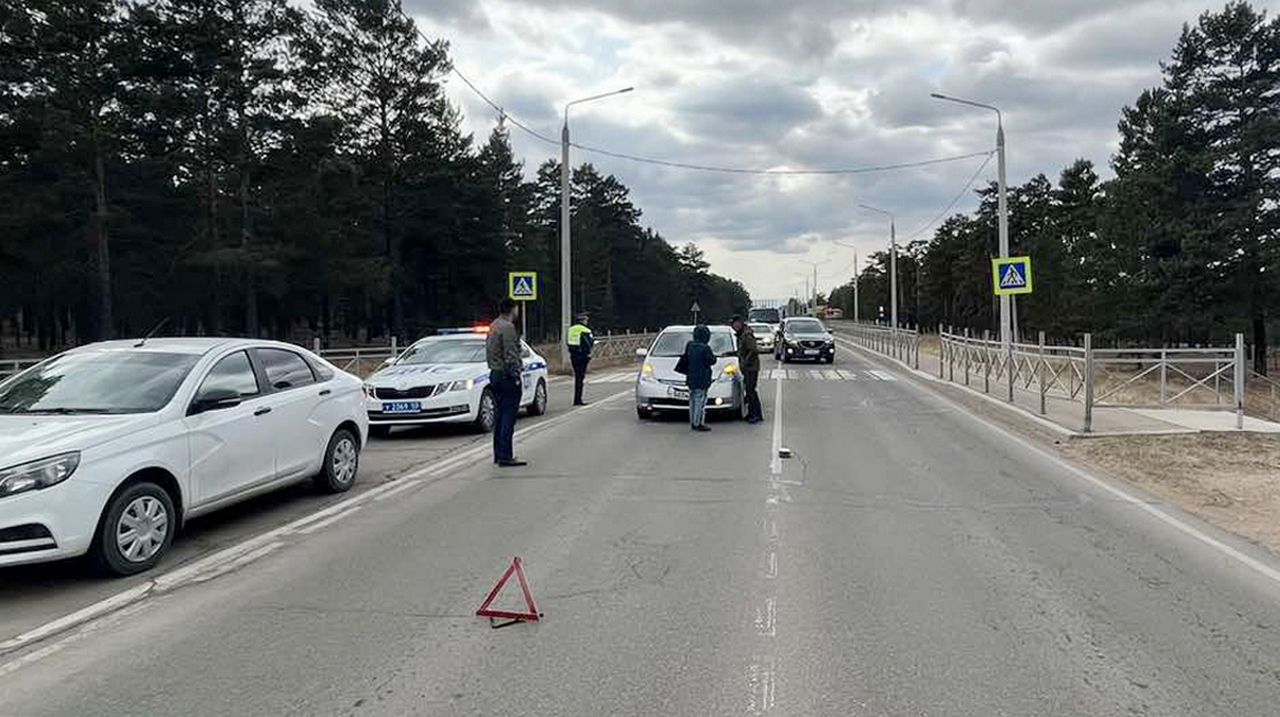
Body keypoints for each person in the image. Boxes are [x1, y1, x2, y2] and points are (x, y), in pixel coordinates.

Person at [486, 299, 526, 467]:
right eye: (516, 308)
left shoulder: (494, 325)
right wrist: (516, 375)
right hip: (506, 376)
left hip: (495, 374)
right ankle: (506, 455)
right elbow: (511, 355)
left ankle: (499, 453)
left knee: (500, 416)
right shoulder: (508, 328)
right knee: (508, 417)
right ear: (513, 309)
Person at [675, 324, 716, 432]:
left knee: (692, 400)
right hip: (702, 378)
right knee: (700, 401)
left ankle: (693, 421)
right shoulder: (705, 348)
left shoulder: (690, 345)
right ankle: (698, 423)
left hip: (691, 377)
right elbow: (712, 360)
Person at [731, 315, 763, 424]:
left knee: (750, 391)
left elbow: (753, 350)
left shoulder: (746, 335)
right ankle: (755, 413)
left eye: (735, 324)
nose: (733, 327)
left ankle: (755, 414)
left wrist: (745, 362)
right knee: (750, 390)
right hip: (748, 367)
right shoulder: (741, 334)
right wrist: (730, 354)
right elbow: (741, 351)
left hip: (751, 367)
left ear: (740, 323)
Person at [567, 313, 594, 406]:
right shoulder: (585, 330)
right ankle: (578, 400)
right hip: (582, 356)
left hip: (573, 356)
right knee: (580, 378)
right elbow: (589, 343)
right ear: (583, 321)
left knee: (577, 378)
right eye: (586, 320)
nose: (587, 322)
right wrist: (589, 352)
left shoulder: (571, 329)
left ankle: (576, 399)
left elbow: (568, 342)